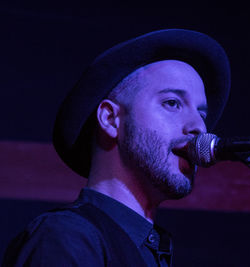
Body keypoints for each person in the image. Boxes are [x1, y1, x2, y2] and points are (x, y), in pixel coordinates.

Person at [2, 29, 231, 266]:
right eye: (172, 103)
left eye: (201, 114)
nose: (199, 128)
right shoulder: (65, 237)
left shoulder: (148, 249)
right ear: (111, 119)